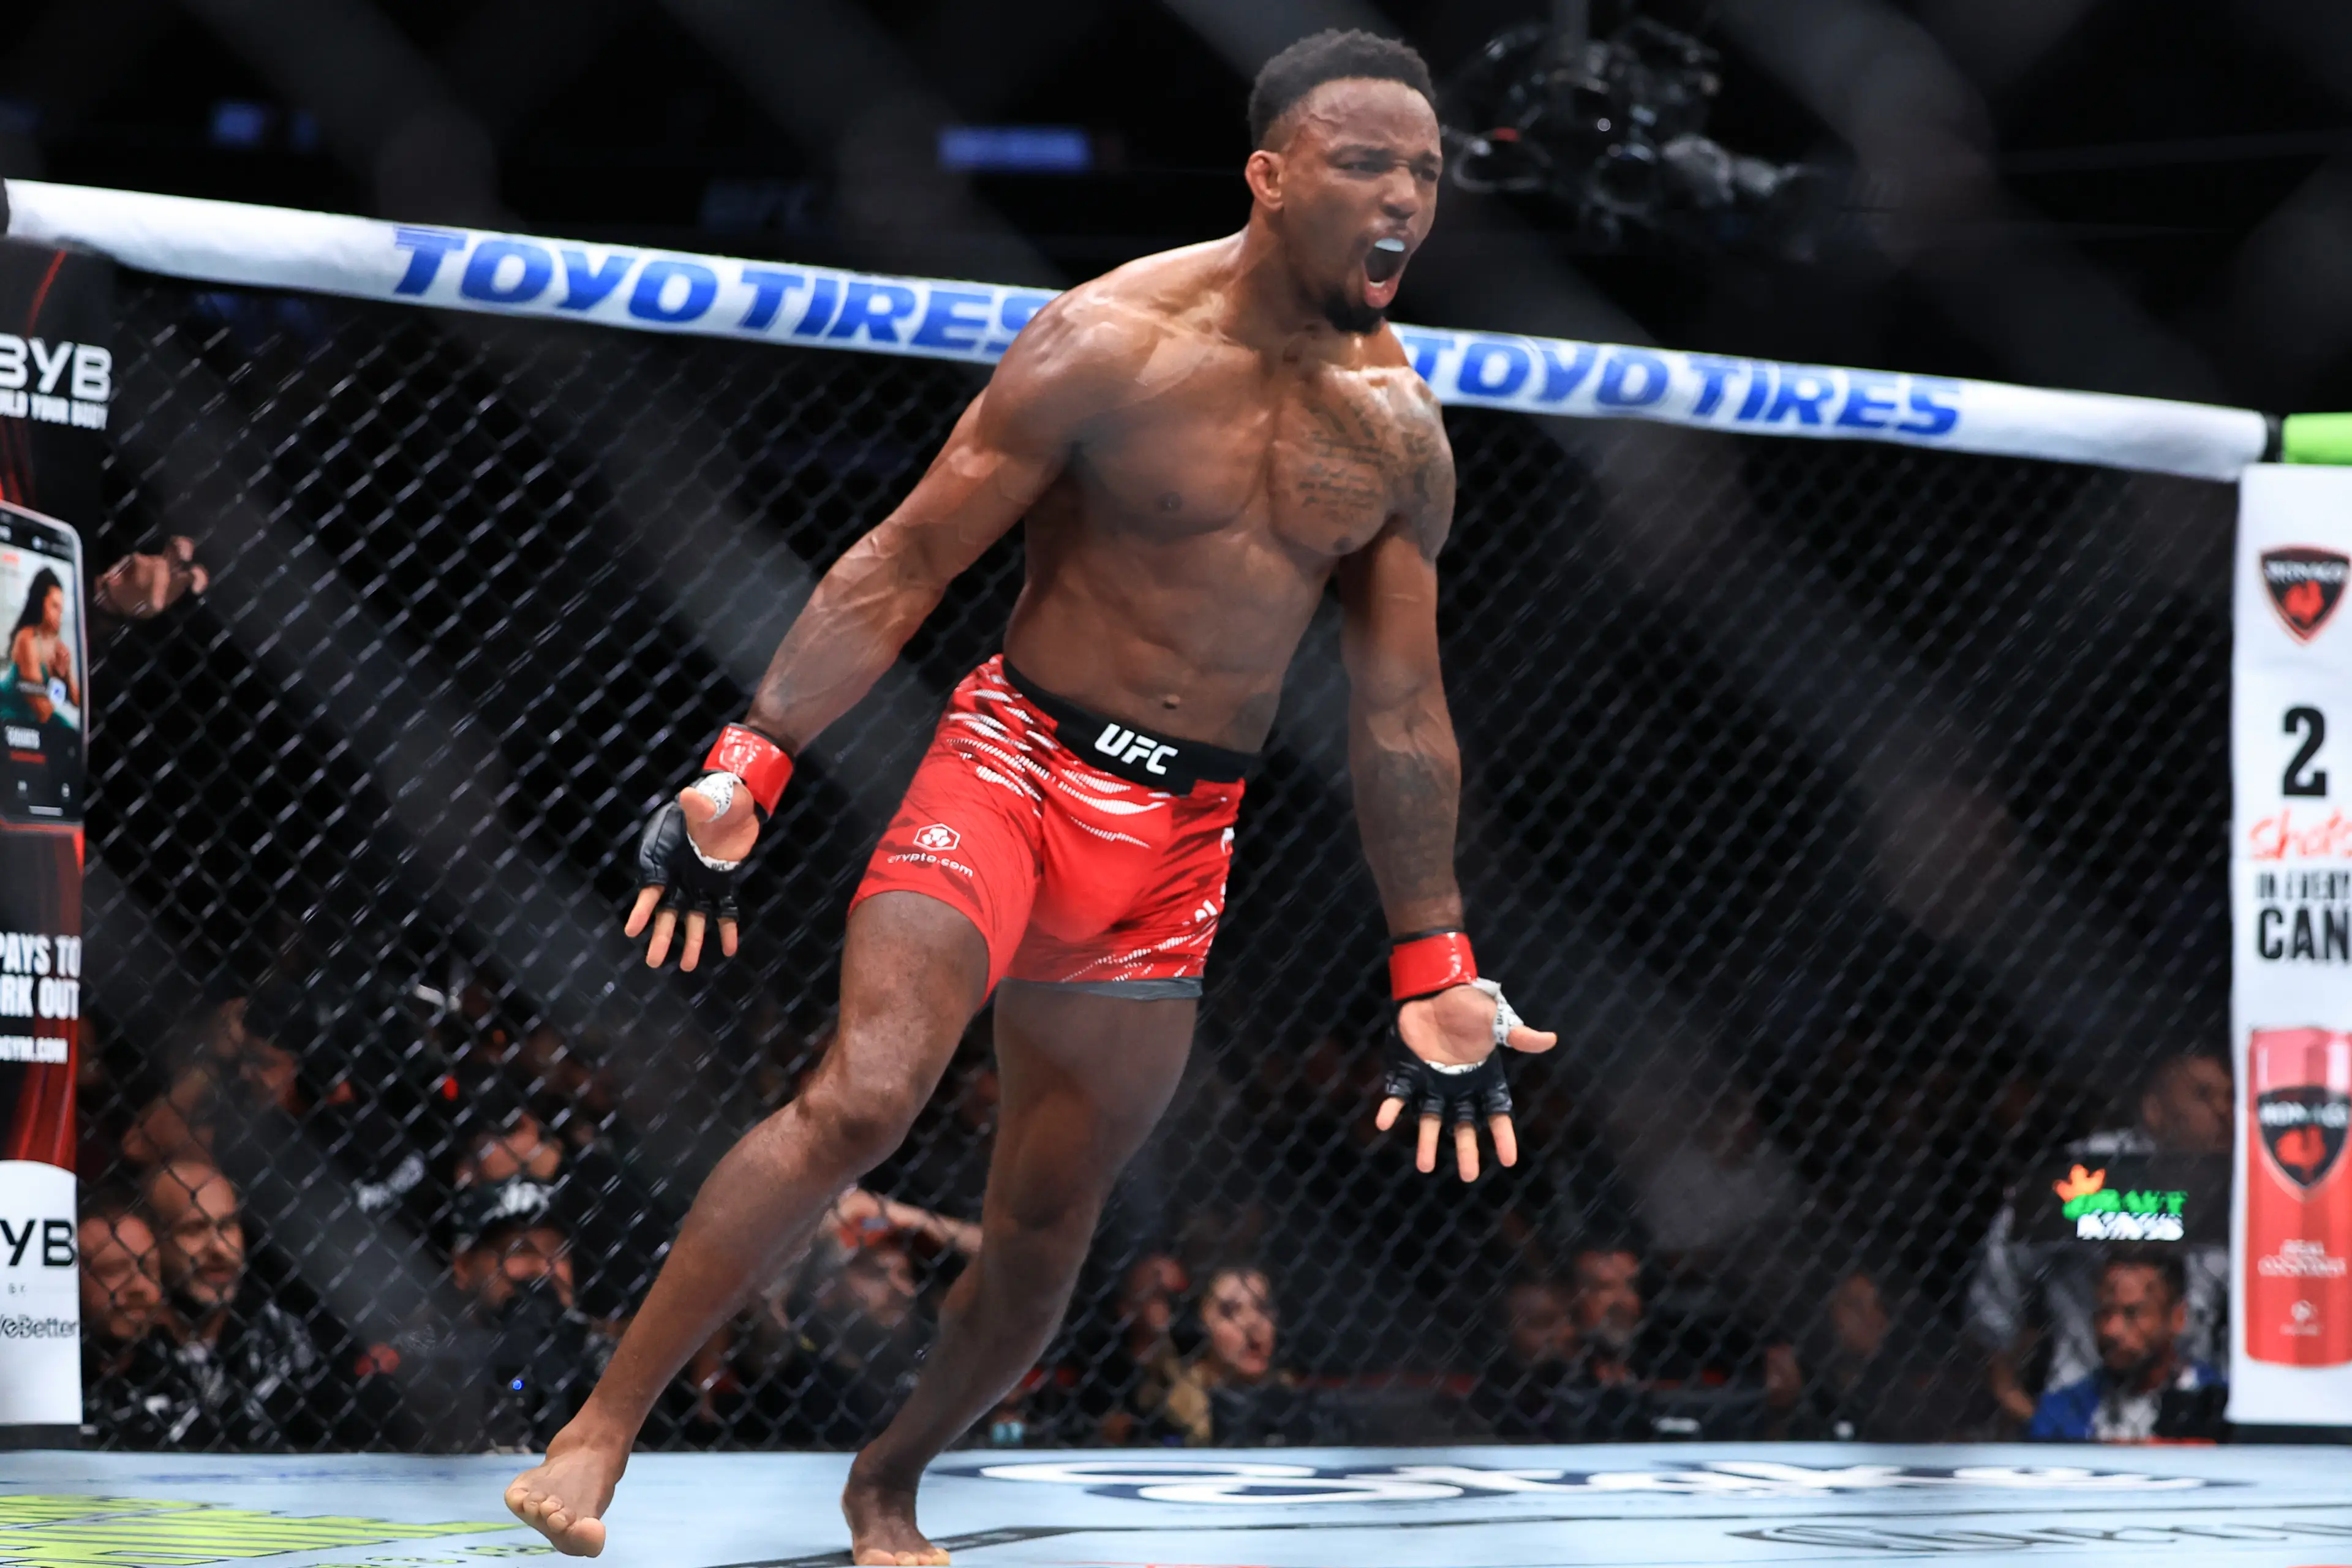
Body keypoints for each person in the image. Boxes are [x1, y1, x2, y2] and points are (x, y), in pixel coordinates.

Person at [505, 29, 1556, 1566]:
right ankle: (599, 1427)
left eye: (1426, 172)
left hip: (1183, 836)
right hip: (1012, 765)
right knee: (864, 1094)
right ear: (1269, 178)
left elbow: (1402, 708)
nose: (1403, 198)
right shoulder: (1106, 342)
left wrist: (1431, 955)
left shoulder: (1398, 430)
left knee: (1052, 1216)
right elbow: (905, 558)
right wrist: (753, 755)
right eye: (1364, 163)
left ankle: (890, 1479)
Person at [1967, 1050, 2232, 1427]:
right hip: (2080, 1403)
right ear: (2155, 1110)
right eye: (2204, 1095)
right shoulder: (2093, 1171)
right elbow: (2003, 1268)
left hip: (2196, 1404)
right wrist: (2009, 1390)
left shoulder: (2247, 1184)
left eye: (2232, 1097)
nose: (2224, 1111)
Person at [138, 1159, 345, 1450]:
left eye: (227, 1226)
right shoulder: (134, 1355)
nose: (220, 1249)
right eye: (194, 1229)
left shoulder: (281, 1336)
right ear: (152, 1241)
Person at [2027, 1254, 2225, 1442]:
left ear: (2177, 1317)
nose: (2111, 1330)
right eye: (2105, 1312)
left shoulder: (2220, 1406)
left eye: (2133, 1313)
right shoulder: (2060, 1412)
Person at [5, 567, 78, 727]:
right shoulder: (27, 639)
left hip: (33, 720)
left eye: (61, 608)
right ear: (40, 603)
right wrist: (58, 682)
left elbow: (78, 700)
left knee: (70, 729)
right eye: (54, 606)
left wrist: (65, 675)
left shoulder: (56, 645)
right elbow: (43, 712)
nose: (59, 615)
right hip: (9, 713)